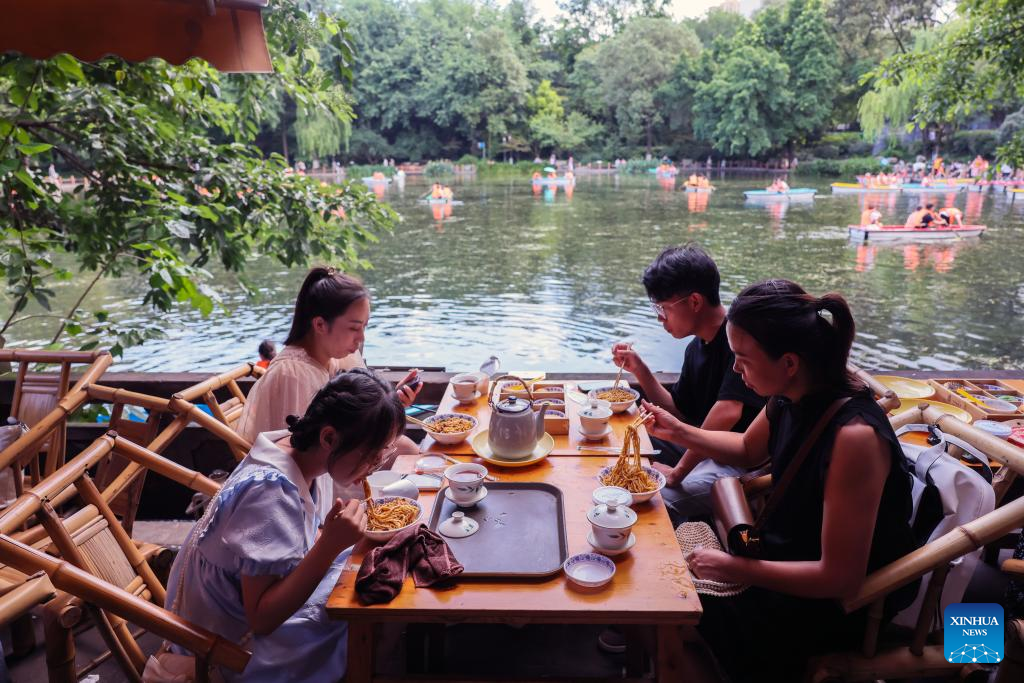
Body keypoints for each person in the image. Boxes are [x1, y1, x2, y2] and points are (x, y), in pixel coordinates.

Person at [642, 279, 919, 681]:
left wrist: (735, 568)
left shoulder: (854, 437)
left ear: (789, 362)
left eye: (743, 358)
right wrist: (678, 431)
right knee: (662, 551)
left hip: (824, 604)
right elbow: (746, 450)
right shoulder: (789, 394)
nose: (735, 369)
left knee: (670, 603)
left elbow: (839, 577)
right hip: (779, 557)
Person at [166, 369, 404, 682]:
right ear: (329, 437)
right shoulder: (270, 491)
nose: (376, 466)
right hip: (228, 647)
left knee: (373, 568)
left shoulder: (291, 448)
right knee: (370, 613)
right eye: (372, 455)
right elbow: (262, 617)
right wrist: (329, 544)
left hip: (243, 611)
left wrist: (329, 539)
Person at [236, 267, 422, 516]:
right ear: (320, 324)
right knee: (408, 463)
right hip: (318, 477)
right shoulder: (292, 374)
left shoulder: (335, 358)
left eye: (364, 327)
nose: (361, 338)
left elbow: (352, 415)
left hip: (342, 452)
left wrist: (387, 405)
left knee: (409, 453)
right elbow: (302, 457)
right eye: (354, 328)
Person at [611, 246, 764, 523]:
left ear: (694, 301)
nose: (660, 317)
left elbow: (726, 414)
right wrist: (640, 369)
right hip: (702, 447)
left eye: (663, 308)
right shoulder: (697, 346)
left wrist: (678, 472)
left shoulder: (739, 342)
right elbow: (679, 412)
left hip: (735, 462)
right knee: (621, 444)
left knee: (653, 501)